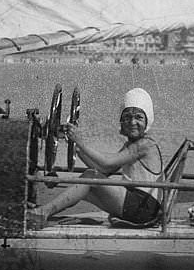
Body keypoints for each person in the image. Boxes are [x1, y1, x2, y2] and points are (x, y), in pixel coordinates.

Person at [28, 88, 164, 226]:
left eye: (139, 117)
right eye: (127, 117)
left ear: (148, 121)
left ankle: (42, 212)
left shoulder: (145, 145)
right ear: (121, 121)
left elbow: (107, 163)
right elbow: (101, 169)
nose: (132, 122)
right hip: (140, 206)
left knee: (89, 178)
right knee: (84, 187)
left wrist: (79, 141)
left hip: (144, 207)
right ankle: (42, 212)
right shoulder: (131, 145)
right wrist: (74, 145)